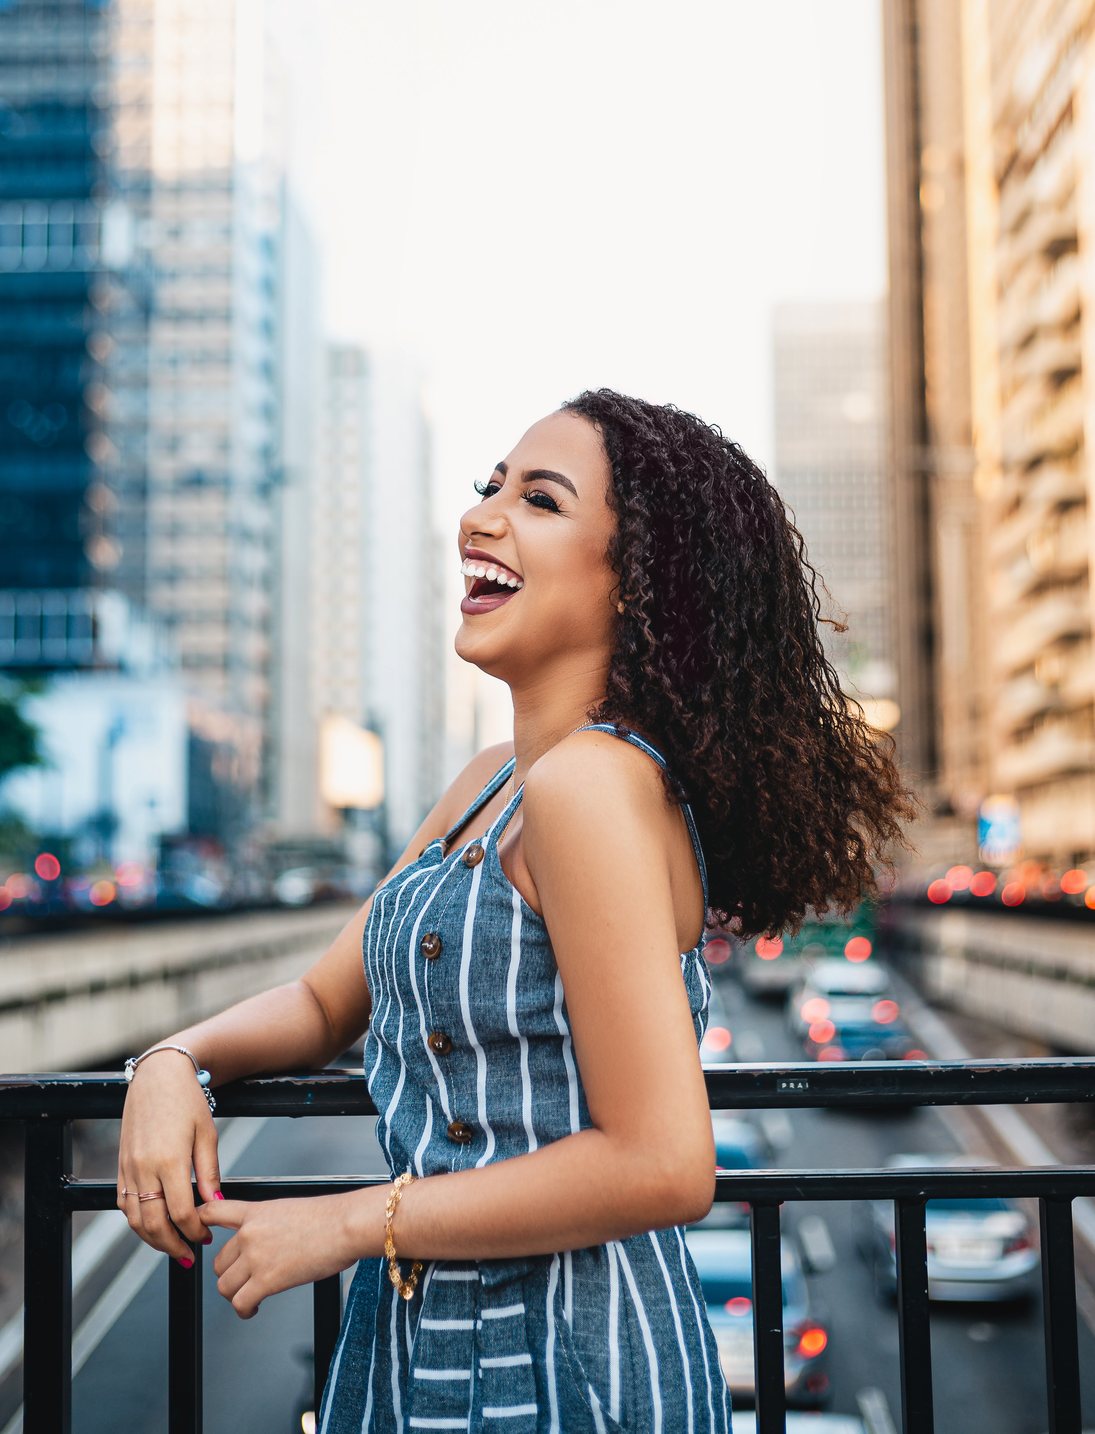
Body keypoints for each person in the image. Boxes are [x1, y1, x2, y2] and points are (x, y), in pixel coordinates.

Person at [117, 387, 912, 1433]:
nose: (482, 516)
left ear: (637, 584)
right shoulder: (495, 781)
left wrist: (350, 1224)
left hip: (563, 1365)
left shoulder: (591, 786)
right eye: (490, 486)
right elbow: (323, 1001)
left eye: (540, 500)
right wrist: (172, 1064)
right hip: (427, 1342)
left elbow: (664, 1164)